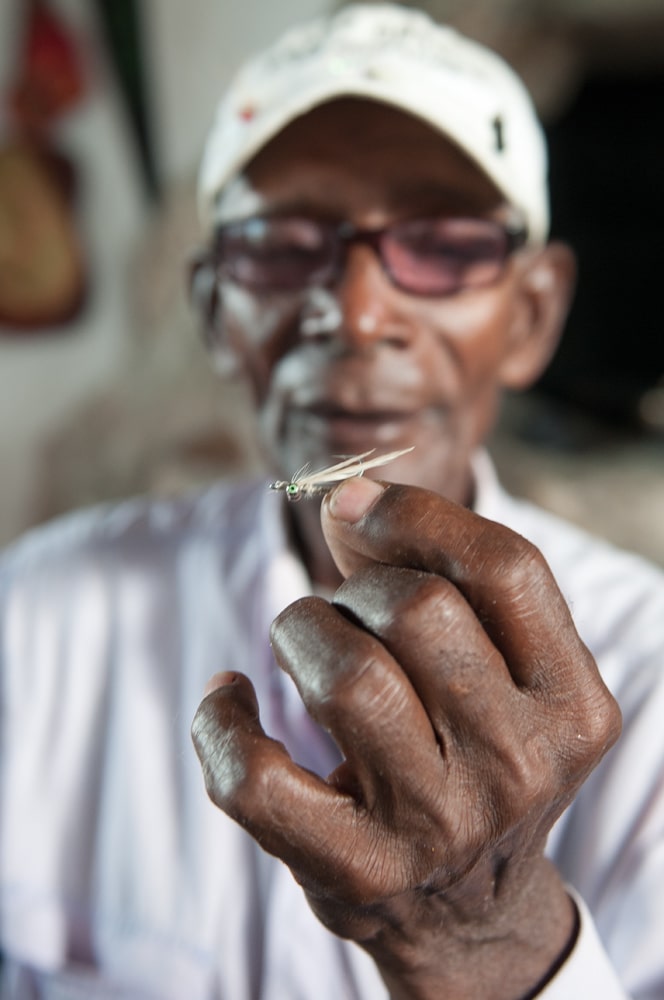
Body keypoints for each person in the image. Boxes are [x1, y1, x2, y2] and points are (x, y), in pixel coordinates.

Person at [1, 4, 663, 998]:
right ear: (216, 315)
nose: (355, 314)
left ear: (529, 317)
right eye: (280, 244)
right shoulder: (43, 612)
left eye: (442, 246)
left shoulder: (648, 673)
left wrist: (491, 942)